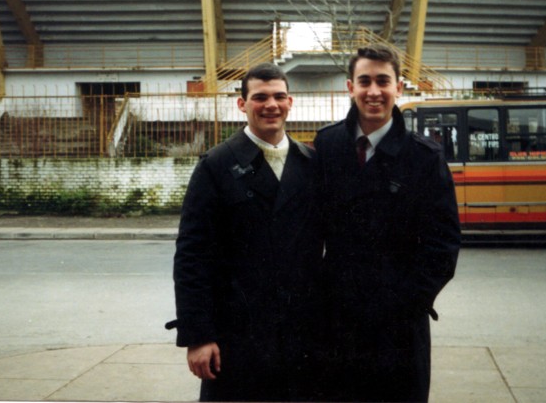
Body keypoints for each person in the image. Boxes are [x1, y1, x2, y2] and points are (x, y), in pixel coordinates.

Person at [313, 44, 461, 402]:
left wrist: (408, 303)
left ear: (399, 87)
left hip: (398, 327)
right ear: (350, 87)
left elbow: (443, 244)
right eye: (365, 81)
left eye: (383, 81)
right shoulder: (328, 144)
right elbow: (310, 228)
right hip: (338, 319)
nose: (374, 91)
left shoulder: (424, 157)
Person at [168, 63, 322, 401]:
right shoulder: (216, 165)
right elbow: (192, 255)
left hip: (301, 336)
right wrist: (198, 336)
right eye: (260, 97)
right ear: (242, 104)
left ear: (290, 101)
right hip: (237, 336)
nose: (271, 105)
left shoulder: (311, 163)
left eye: (279, 96)